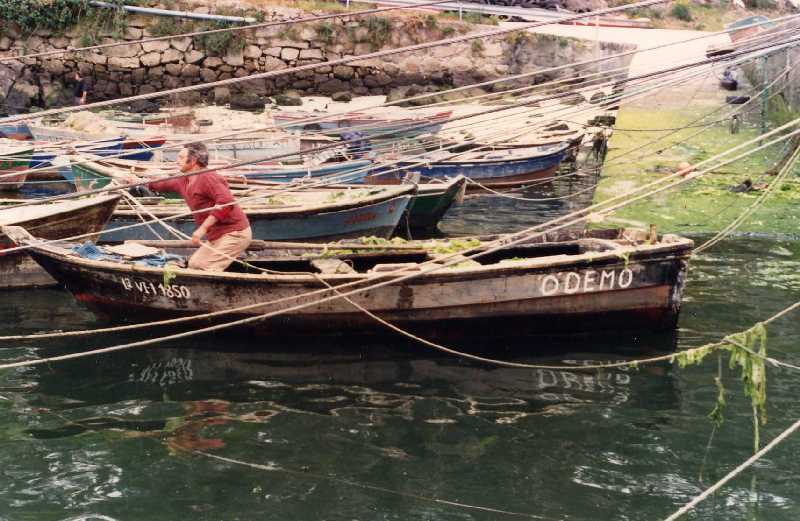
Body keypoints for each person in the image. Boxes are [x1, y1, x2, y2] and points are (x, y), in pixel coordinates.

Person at [129, 143, 252, 271]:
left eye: (181, 158)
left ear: (193, 161)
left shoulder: (209, 177)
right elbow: (162, 184)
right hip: (216, 236)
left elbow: (226, 203)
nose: (177, 161)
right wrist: (138, 181)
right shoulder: (184, 179)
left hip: (234, 234)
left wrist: (202, 229)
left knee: (207, 268)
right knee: (194, 265)